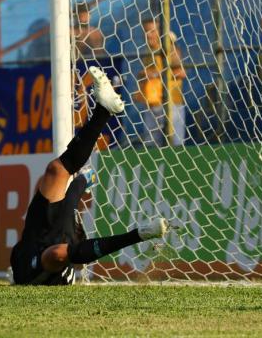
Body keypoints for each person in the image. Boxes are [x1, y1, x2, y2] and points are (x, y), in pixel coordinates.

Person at [10, 66, 169, 285]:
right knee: (56, 253)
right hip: (47, 269)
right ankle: (104, 111)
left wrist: (87, 178)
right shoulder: (64, 235)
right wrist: (138, 235)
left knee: (56, 170)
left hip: (30, 254)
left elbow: (74, 191)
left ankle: (104, 110)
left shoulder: (62, 223)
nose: (75, 220)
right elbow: (73, 197)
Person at [134, 18, 186, 146]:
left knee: (175, 144)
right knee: (151, 146)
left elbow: (181, 73)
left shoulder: (170, 50)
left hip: (172, 105)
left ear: (160, 32)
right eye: (146, 31)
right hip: (152, 106)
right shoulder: (148, 52)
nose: (148, 35)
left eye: (152, 31)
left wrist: (154, 75)